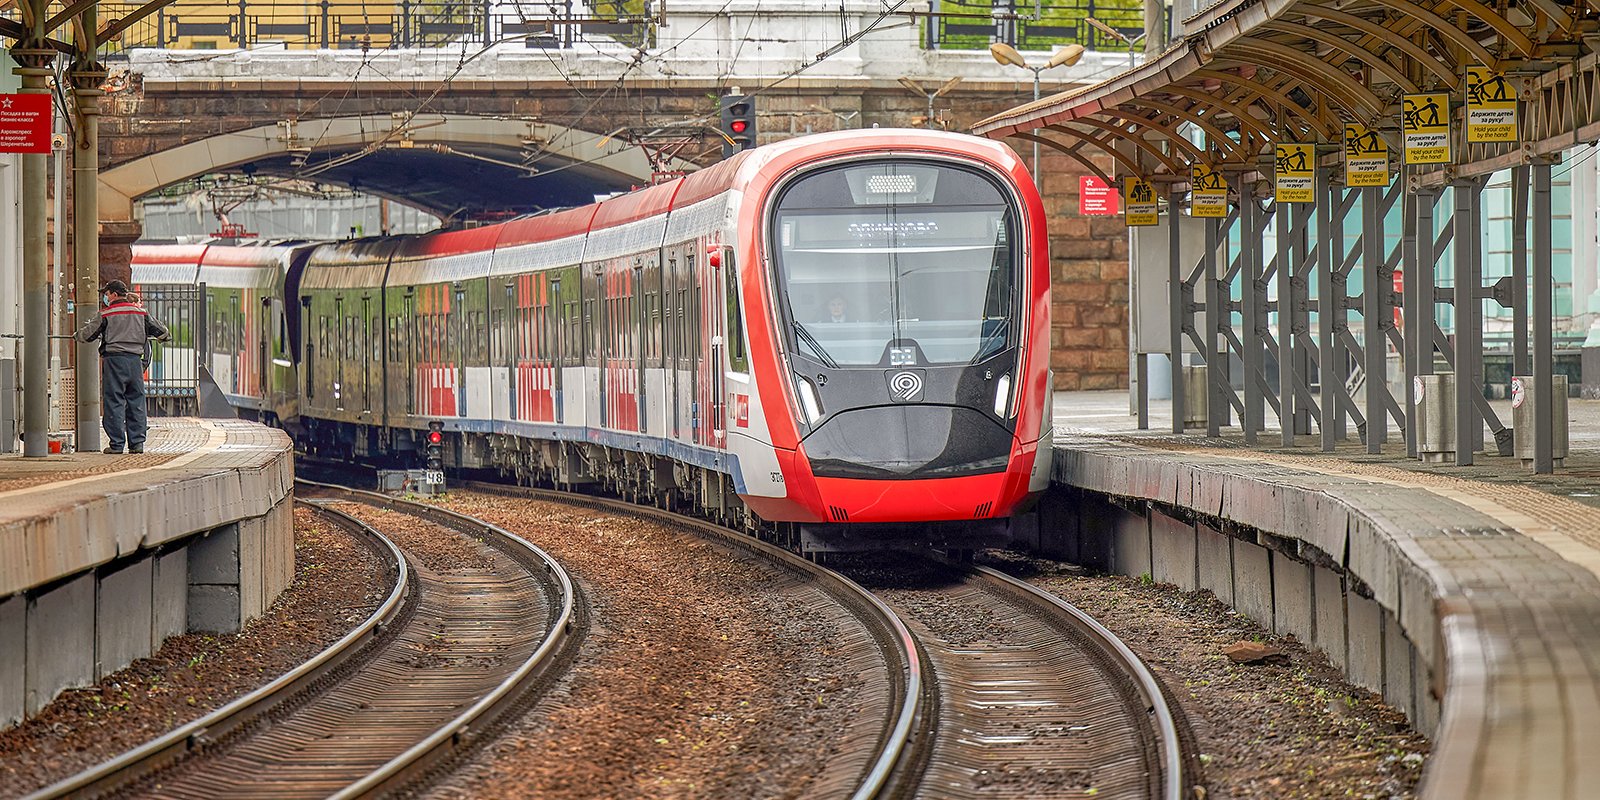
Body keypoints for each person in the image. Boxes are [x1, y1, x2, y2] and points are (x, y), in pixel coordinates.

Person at [75, 280, 170, 454]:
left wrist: (77, 335)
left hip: (114, 362)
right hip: (135, 362)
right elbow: (162, 332)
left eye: (106, 293)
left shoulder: (106, 314)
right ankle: (137, 444)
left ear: (113, 294)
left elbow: (88, 335)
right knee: (136, 401)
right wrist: (161, 337)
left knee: (114, 402)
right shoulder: (141, 313)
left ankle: (117, 444)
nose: (105, 297)